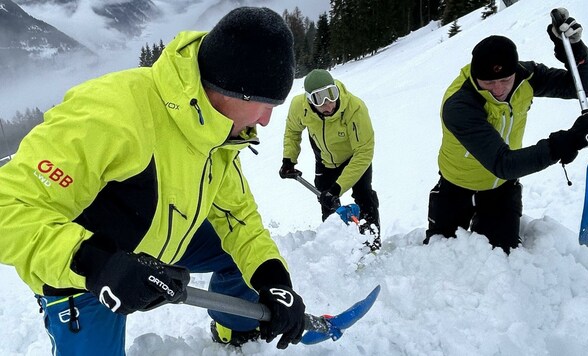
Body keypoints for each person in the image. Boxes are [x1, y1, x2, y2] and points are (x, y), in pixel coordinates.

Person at [0, 7, 306, 355]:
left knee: (237, 256)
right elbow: (7, 206)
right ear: (233, 89)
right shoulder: (112, 114)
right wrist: (98, 264)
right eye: (265, 105)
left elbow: (239, 221)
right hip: (83, 270)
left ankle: (233, 328)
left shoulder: (219, 130)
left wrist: (274, 281)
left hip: (160, 238)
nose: (266, 121)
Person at [425, 8, 588, 254]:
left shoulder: (526, 78)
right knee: (439, 257)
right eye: (488, 83)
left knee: (503, 256)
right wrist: (568, 142)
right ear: (474, 76)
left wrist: (574, 50)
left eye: (505, 80)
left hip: (501, 187)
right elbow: (503, 162)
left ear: (515, 72)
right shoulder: (460, 104)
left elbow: (584, 86)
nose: (498, 89)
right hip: (456, 185)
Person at [279, 69, 381, 250]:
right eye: (319, 99)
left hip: (354, 159)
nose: (328, 104)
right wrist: (289, 159)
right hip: (325, 160)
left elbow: (364, 152)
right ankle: (336, 245)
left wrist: (337, 188)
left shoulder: (355, 109)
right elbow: (293, 131)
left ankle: (372, 241)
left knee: (364, 195)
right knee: (327, 201)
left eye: (331, 95)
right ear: (309, 99)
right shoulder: (299, 106)